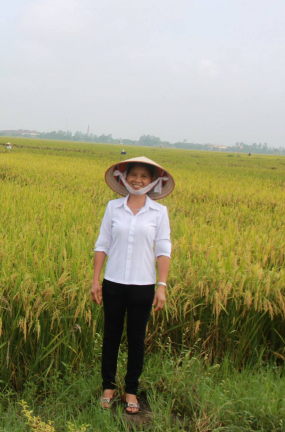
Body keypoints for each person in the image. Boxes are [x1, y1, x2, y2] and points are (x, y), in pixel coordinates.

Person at [91, 156, 175, 414]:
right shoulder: (113, 207)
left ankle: (131, 391)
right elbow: (102, 243)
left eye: (144, 176)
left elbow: (163, 248)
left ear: (152, 181)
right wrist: (96, 280)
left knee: (137, 340)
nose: (138, 180)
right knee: (111, 337)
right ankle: (108, 387)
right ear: (124, 178)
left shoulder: (159, 212)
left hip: (143, 285)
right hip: (113, 282)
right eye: (133, 175)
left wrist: (161, 286)